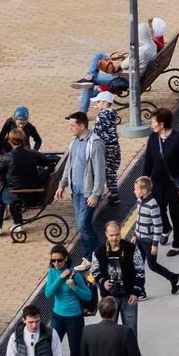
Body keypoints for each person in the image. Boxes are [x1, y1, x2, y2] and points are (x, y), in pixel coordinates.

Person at [41, 245, 94, 356]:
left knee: (75, 352)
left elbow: (88, 296)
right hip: (58, 316)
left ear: (66, 259)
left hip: (74, 317)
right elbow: (48, 294)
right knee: (52, 349)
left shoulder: (75, 275)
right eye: (53, 261)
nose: (56, 263)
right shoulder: (52, 273)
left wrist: (74, 288)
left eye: (59, 260)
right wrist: (59, 278)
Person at [145, 106, 179, 252]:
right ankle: (166, 228)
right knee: (158, 210)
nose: (151, 125)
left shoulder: (178, 138)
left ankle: (177, 244)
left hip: (174, 184)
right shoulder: (153, 138)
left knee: (175, 213)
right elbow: (148, 159)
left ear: (161, 124)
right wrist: (145, 178)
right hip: (157, 183)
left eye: (153, 122)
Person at [65, 109, 108, 258]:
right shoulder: (74, 142)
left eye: (72, 125)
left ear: (82, 126)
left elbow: (100, 171)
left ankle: (96, 254)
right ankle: (91, 254)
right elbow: (69, 165)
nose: (70, 128)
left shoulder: (94, 143)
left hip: (87, 193)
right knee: (82, 226)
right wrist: (62, 184)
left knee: (84, 225)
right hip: (75, 190)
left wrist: (96, 194)